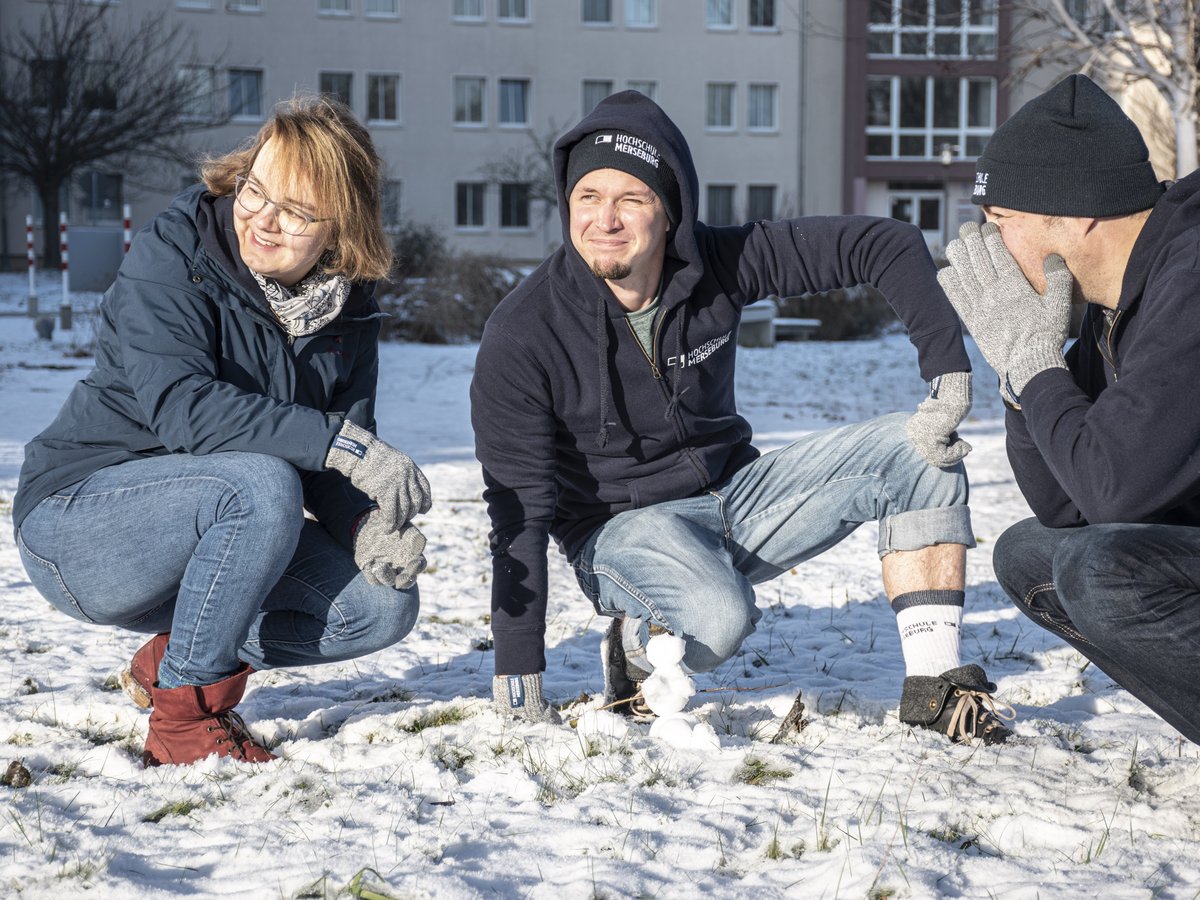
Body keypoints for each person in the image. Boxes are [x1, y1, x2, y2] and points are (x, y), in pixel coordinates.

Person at [471, 90, 1012, 745]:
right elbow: (518, 513)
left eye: (631, 199)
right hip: (619, 532)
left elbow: (885, 243)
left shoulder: (720, 265)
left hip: (737, 495)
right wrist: (518, 682)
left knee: (919, 451)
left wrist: (947, 370)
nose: (604, 219)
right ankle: (635, 652)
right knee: (720, 618)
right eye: (588, 197)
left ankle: (936, 689)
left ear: (670, 211)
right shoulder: (524, 332)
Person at [12, 96, 432, 767]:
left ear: (342, 225)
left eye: (295, 211)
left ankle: (177, 658)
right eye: (254, 190)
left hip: (222, 530)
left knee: (381, 608)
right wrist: (343, 445)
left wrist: (363, 526)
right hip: (78, 521)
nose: (261, 218)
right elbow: (184, 409)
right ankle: (185, 716)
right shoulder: (175, 251)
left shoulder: (349, 311)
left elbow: (333, 462)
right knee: (260, 483)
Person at [938, 74, 1200, 745]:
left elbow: (1115, 488)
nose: (989, 247)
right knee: (1030, 554)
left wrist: (1035, 364)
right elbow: (1066, 507)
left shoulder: (1191, 278)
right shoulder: (1111, 301)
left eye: (1003, 222)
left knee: (1102, 571)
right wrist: (1020, 373)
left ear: (1077, 211)